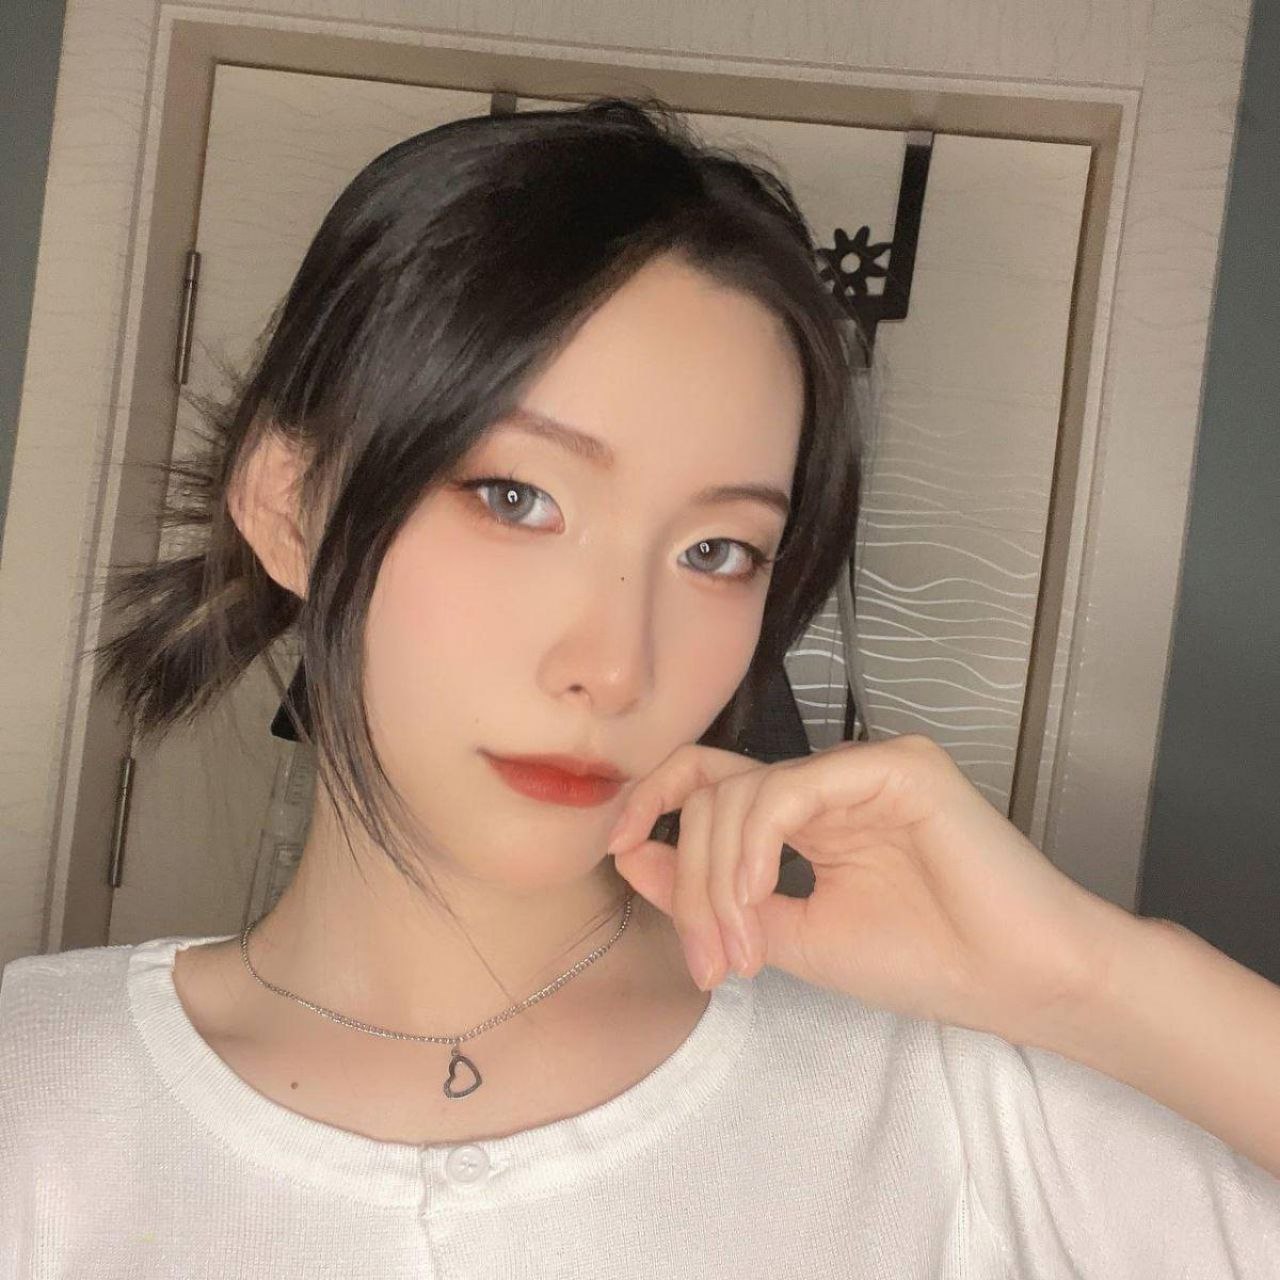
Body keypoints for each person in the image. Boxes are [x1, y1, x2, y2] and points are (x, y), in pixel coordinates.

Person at [1, 96, 1277, 1278]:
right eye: (517, 496)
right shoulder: (36, 1092)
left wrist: (1087, 977)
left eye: (716, 551)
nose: (617, 665)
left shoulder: (955, 1094)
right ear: (289, 502)